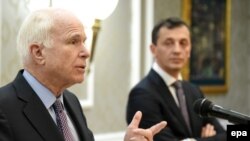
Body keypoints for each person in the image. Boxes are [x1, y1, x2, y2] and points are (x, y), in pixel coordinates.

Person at [0, 8, 167, 141]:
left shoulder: (70, 102)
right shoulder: (4, 109)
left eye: (84, 42)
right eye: (73, 41)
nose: (86, 52)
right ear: (38, 53)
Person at [126, 17, 226, 141]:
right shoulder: (142, 94)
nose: (177, 50)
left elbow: (226, 135)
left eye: (183, 43)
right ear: (153, 49)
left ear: (189, 50)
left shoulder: (194, 91)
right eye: (168, 43)